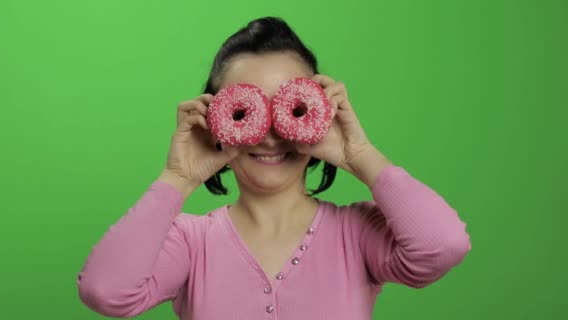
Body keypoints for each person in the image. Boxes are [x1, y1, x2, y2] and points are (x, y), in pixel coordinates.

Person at [76, 17, 472, 320]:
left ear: (321, 112)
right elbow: (105, 291)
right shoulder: (191, 243)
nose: (269, 136)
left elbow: (443, 246)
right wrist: (177, 179)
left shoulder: (358, 234)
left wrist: (360, 154)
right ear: (215, 118)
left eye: (289, 109)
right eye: (249, 110)